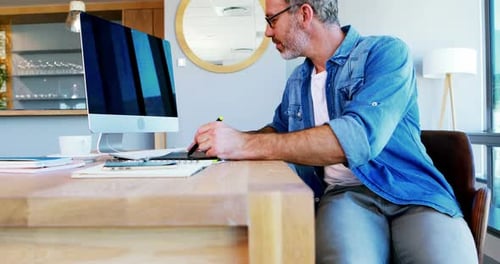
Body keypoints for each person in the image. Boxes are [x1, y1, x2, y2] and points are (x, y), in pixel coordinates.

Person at [190, 0, 478, 263]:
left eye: (271, 20)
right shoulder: (297, 81)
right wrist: (226, 139)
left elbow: (358, 137)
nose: (267, 33)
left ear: (304, 14)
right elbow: (277, 132)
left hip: (413, 191)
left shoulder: (386, 53)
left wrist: (242, 144)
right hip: (345, 195)